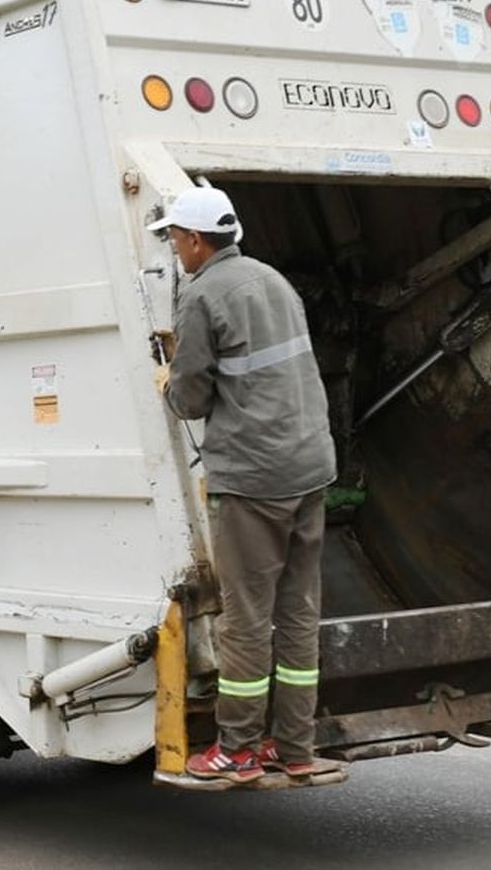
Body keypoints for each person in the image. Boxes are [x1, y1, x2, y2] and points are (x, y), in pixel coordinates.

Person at [147, 183, 337, 784]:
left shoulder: (201, 295)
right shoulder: (273, 280)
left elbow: (193, 396)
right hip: (310, 467)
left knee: (248, 619)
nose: (174, 249)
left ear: (197, 241)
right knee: (299, 613)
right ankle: (297, 746)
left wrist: (168, 383)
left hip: (255, 478)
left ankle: (237, 749)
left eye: (175, 238)